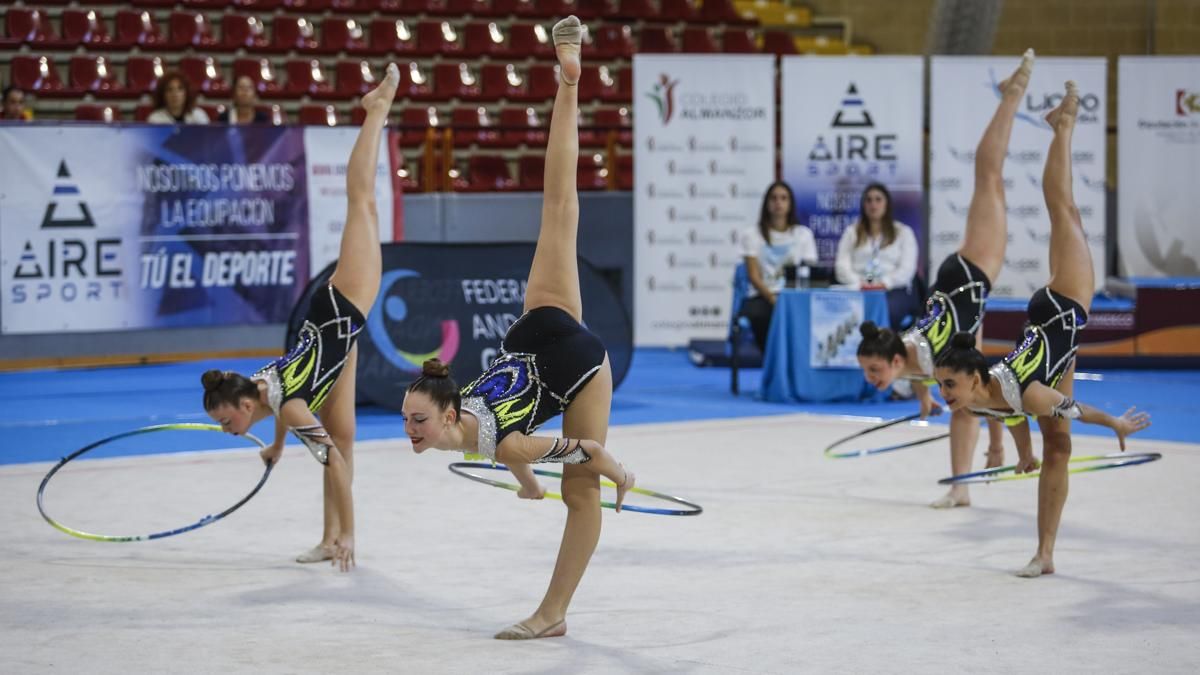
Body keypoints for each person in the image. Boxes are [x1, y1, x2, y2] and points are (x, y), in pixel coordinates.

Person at [400, 17, 633, 640]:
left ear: (449, 415)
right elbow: (505, 444)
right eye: (408, 420)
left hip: (579, 365)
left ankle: (552, 614)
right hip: (534, 330)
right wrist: (527, 484)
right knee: (558, 204)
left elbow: (571, 451)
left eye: (417, 421)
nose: (410, 431)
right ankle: (568, 80)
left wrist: (613, 470)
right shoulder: (469, 426)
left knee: (581, 493)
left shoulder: (497, 444)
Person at [933, 81, 1151, 578]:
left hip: (1063, 306)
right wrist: (1025, 452)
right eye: (943, 385)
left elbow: (1069, 409)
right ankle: (1045, 554)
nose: (944, 393)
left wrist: (1114, 424)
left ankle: (1063, 126)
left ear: (973, 377)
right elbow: (1005, 412)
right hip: (1056, 352)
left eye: (949, 384)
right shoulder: (980, 398)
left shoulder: (1025, 396)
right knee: (1058, 449)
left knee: (1063, 209)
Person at [200, 63, 400, 572]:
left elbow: (316, 444)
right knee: (344, 438)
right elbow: (284, 408)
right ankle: (328, 539)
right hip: (338, 342)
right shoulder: (264, 392)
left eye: (227, 420)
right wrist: (275, 447)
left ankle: (375, 111)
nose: (227, 429)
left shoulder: (282, 404)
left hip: (342, 306)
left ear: (244, 404)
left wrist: (354, 533)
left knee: (361, 202)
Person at [855, 50, 1038, 509]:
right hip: (961, 292)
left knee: (987, 171)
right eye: (869, 372)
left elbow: (986, 384)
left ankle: (1013, 94)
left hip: (972, 271)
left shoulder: (924, 356)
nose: (872, 378)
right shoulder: (908, 355)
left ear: (894, 361)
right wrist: (923, 400)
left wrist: (997, 445)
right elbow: (920, 370)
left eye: (874, 370)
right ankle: (960, 488)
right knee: (960, 405)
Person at [738, 181, 818, 353]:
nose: (778, 202)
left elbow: (808, 272)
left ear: (790, 203)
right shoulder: (751, 235)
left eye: (783, 198)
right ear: (766, 203)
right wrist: (772, 298)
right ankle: (771, 359)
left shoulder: (803, 235)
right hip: (762, 295)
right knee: (761, 315)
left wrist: (789, 298)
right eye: (773, 198)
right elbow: (754, 276)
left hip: (794, 295)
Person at [835, 183, 920, 330]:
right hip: (858, 288)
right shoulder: (852, 232)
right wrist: (859, 283)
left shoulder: (903, 232)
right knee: (836, 309)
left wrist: (884, 283)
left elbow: (907, 270)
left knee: (887, 310)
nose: (873, 204)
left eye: (878, 199)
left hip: (893, 290)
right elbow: (841, 267)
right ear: (863, 205)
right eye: (868, 200)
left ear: (887, 204)